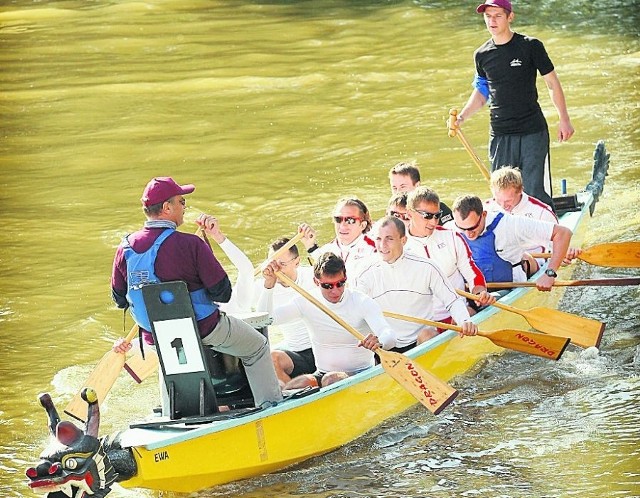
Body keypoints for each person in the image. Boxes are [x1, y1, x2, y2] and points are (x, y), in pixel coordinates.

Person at [110, 176, 282, 412]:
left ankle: (173, 415)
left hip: (156, 336)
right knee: (258, 346)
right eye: (181, 202)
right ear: (166, 208)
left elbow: (119, 299)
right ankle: (270, 406)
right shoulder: (190, 244)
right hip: (204, 327)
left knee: (166, 359)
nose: (184, 207)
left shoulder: (125, 248)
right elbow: (222, 293)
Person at [456, 0, 575, 209]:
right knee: (503, 194)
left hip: (532, 130)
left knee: (534, 191)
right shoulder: (482, 55)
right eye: (488, 16)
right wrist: (462, 117)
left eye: (497, 15)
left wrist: (564, 119)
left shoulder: (530, 46)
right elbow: (482, 92)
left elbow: (552, 84)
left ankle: (547, 233)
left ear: (510, 17)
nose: (491, 20)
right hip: (500, 133)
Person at [258, 252, 396, 389]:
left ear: (345, 278)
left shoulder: (362, 302)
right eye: (328, 286)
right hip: (322, 373)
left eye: (340, 284)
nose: (335, 291)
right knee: (295, 386)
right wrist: (269, 285)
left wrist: (380, 341)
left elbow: (388, 334)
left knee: (330, 380)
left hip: (361, 373)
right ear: (316, 282)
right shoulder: (306, 301)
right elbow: (267, 320)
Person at [355, 216, 479, 351]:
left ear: (403, 240)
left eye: (389, 239)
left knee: (428, 334)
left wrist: (465, 321)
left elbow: (452, 300)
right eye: (378, 239)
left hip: (420, 342)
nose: (382, 245)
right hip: (383, 343)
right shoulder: (364, 272)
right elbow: (357, 313)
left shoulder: (427, 267)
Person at [451, 194, 577, 290]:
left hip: (508, 288)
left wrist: (550, 274)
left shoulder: (510, 224)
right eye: (462, 228)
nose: (468, 234)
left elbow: (563, 233)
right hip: (474, 291)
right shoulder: (450, 229)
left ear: (484, 214)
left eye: (472, 227)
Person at [404, 186, 494, 318]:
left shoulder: (452, 237)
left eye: (437, 216)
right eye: (427, 216)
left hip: (458, 313)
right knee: (426, 335)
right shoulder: (399, 247)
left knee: (468, 314)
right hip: (426, 322)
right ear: (409, 213)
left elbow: (472, 273)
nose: (434, 222)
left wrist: (480, 292)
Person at [254, 237, 316, 385]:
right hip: (295, 352)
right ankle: (291, 396)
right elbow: (262, 320)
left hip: (321, 348)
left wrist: (312, 246)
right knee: (268, 358)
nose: (276, 269)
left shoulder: (312, 276)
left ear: (297, 262)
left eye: (282, 264)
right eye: (273, 263)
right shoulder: (264, 285)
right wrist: (269, 285)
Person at [486, 166, 557, 267]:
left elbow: (558, 246)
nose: (502, 206)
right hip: (499, 258)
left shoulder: (542, 212)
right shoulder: (486, 209)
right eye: (498, 200)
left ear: (520, 191)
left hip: (532, 260)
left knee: (521, 257)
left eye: (508, 201)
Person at [301, 197, 376, 277]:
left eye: (350, 220)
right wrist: (310, 246)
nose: (342, 225)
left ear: (362, 225)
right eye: (338, 219)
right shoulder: (326, 251)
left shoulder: (375, 250)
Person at [388, 162, 453, 226]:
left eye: (403, 187)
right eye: (394, 188)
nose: (398, 192)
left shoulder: (437, 210)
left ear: (417, 185)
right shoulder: (391, 213)